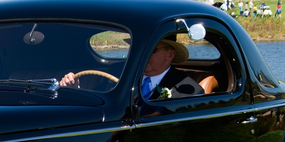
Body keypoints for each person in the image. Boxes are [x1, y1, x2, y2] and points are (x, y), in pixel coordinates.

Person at [60, 36, 202, 100]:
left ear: (169, 55)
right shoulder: (118, 73)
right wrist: (75, 88)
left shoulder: (188, 89)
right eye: (138, 49)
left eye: (151, 50)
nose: (141, 55)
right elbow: (100, 101)